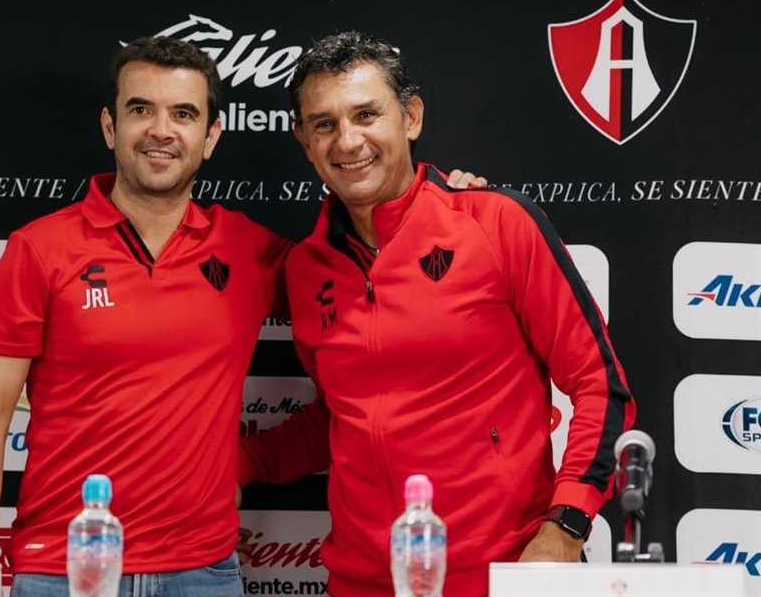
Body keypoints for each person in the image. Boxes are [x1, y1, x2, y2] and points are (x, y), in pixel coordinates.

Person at [0, 35, 483, 597]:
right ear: (111, 128)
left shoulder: (246, 249)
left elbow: (364, 276)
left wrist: (444, 209)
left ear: (210, 138)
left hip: (204, 573)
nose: (162, 130)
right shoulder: (38, 249)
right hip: (63, 568)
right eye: (141, 110)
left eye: (183, 114)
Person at [237, 31, 636, 597]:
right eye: (324, 124)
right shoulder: (306, 269)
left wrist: (567, 525)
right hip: (360, 580)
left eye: (366, 115)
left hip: (500, 571)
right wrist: (239, 462)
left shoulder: (497, 224)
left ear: (411, 118)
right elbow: (342, 418)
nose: (348, 141)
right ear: (304, 141)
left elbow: (602, 385)